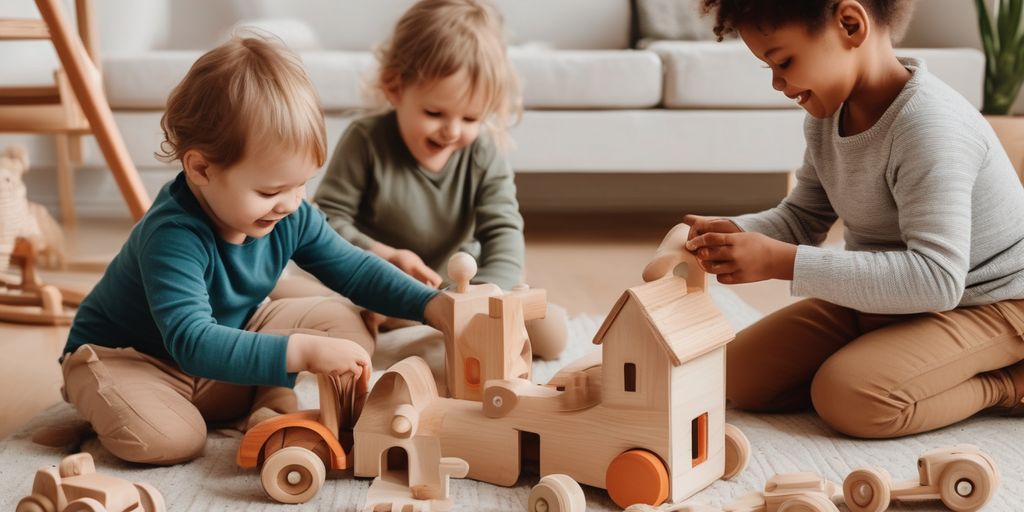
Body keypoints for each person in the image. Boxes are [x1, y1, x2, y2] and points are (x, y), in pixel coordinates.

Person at [59, 35, 446, 465]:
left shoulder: (289, 213)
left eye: (301, 184)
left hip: (224, 345)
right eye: (270, 190)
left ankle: (265, 404)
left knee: (344, 322)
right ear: (201, 168)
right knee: (173, 441)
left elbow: (354, 270)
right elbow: (190, 339)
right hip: (136, 360)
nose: (290, 202)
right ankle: (102, 397)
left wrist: (432, 306)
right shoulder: (172, 235)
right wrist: (302, 352)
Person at [682, 0, 1024, 438]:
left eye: (784, 61)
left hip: (986, 303)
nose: (777, 83)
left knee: (850, 398)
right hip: (885, 298)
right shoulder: (829, 115)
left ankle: (1008, 383)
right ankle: (894, 362)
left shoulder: (930, 127)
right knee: (739, 377)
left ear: (849, 24)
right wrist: (737, 235)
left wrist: (781, 262)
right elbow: (804, 215)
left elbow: (937, 279)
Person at [312, 0, 567, 359]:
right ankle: (411, 330)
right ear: (394, 87)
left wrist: (484, 297)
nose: (451, 131)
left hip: (459, 291)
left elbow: (503, 231)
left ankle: (437, 333)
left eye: (470, 118)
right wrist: (383, 256)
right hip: (380, 287)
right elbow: (324, 223)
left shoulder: (483, 152)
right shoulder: (365, 140)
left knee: (553, 333)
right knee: (342, 335)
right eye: (435, 113)